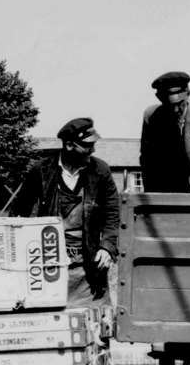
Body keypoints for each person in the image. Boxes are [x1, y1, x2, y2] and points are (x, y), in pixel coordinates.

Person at [7, 116, 120, 310]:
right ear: (69, 145)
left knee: (95, 328)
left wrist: (107, 246)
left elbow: (113, 213)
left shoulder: (100, 171)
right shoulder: (41, 171)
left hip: (89, 264)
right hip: (50, 261)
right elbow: (19, 213)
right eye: (87, 145)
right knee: (53, 320)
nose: (93, 150)